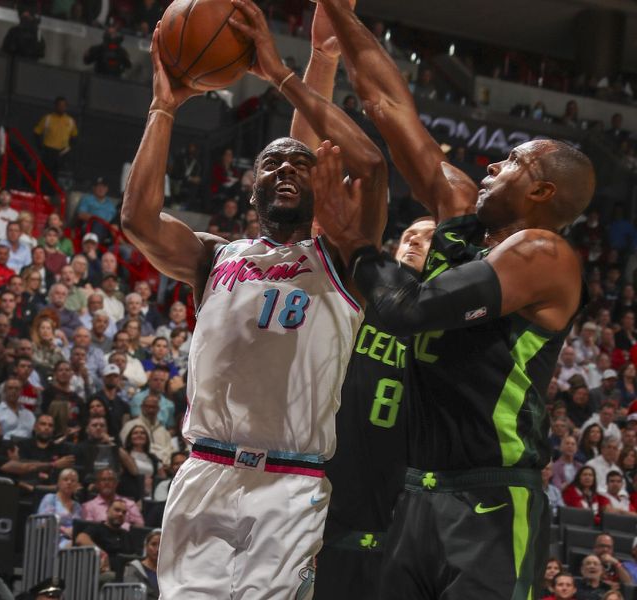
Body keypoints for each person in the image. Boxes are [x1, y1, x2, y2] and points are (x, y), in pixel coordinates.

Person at [312, 0, 595, 598]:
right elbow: (388, 107)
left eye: (515, 161)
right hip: (417, 494)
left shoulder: (544, 255)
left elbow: (408, 310)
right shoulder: (462, 223)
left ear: (542, 190)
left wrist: (357, 243)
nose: (494, 162)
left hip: (493, 495)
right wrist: (332, 18)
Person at [122, 2, 385, 594]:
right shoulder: (215, 257)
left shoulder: (340, 260)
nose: (287, 168)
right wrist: (164, 106)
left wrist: (300, 67)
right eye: (272, 163)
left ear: (319, 185)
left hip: (289, 483)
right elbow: (138, 220)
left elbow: (369, 164)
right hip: (205, 471)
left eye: (301, 163)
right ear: (252, 189)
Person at [314, 216, 434, 598]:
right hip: (333, 485)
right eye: (409, 236)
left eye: (429, 238)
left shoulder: (443, 325)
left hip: (399, 502)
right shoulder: (362, 297)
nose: (414, 241)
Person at [36, 468, 82, 549]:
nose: (69, 482)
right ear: (59, 483)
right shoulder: (50, 498)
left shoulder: (77, 506)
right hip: (52, 541)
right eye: (65, 479)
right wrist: (64, 530)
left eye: (73, 480)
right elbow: (43, 523)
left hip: (73, 540)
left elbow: (79, 526)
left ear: (76, 485)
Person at [33, 97, 77, 182]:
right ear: (55, 106)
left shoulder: (70, 121)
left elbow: (74, 136)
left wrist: (69, 149)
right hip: (49, 150)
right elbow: (36, 132)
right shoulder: (48, 118)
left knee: (59, 175)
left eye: (64, 105)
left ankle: (55, 193)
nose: (61, 107)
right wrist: (40, 148)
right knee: (46, 174)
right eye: (59, 105)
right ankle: (44, 191)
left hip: (62, 152)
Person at [123, 529, 160, 600]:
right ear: (146, 546)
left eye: (161, 545)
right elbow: (131, 595)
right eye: (153, 544)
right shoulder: (134, 568)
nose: (157, 549)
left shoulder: (168, 570)